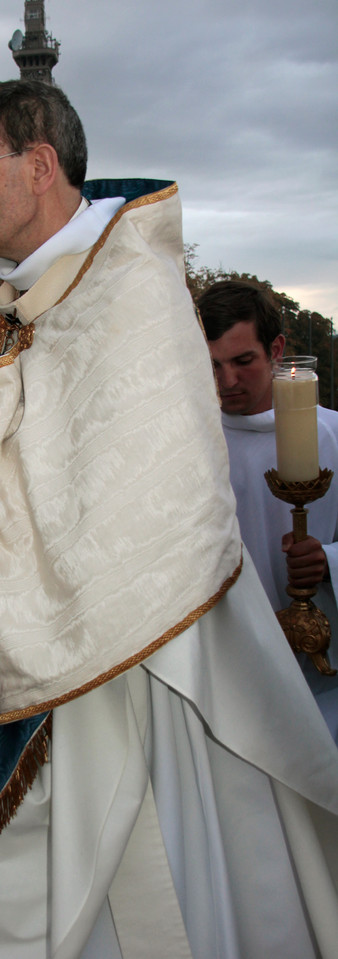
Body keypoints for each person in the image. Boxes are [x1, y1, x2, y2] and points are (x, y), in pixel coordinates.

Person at [0, 82, 338, 959]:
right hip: (4, 646)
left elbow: (111, 503)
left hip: (127, 659)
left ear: (38, 165)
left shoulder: (133, 290)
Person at [198, 279, 338, 739]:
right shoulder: (188, 442)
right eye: (212, 365)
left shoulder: (331, 437)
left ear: (276, 349)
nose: (228, 382)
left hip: (322, 682)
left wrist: (328, 563)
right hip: (223, 678)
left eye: (243, 362)